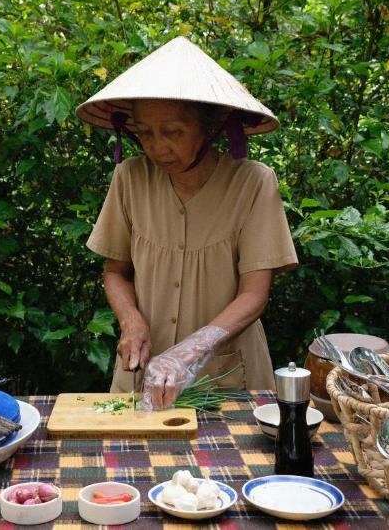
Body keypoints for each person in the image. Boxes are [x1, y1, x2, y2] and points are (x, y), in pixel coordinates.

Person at [76, 36, 298, 410]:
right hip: (141, 371)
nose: (157, 147)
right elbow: (115, 272)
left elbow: (254, 294)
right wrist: (131, 322)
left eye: (173, 132)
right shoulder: (129, 178)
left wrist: (188, 352)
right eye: (145, 133)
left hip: (227, 377)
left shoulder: (254, 183)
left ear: (209, 126)